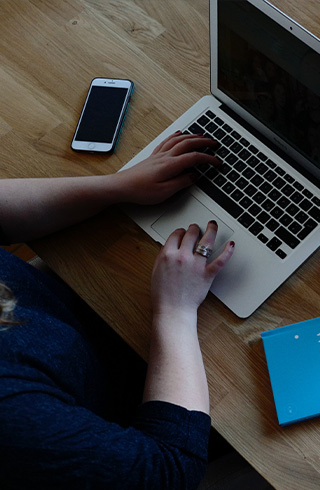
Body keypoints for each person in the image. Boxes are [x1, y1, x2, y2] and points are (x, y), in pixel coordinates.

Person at [0, 132, 235, 489]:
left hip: (67, 323)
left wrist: (115, 186)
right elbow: (169, 467)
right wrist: (175, 310)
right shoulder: (14, 419)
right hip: (122, 422)